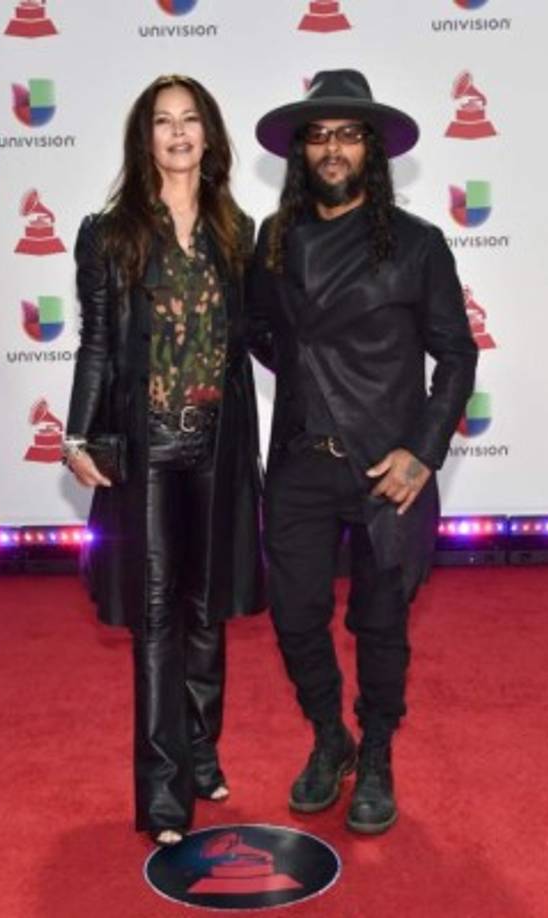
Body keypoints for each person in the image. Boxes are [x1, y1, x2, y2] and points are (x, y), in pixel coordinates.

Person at [249, 70, 477, 835]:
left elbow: (456, 356)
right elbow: (261, 333)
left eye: (348, 134)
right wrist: (318, 383)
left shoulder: (416, 244)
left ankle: (376, 752)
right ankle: (329, 740)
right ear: (301, 151)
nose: (333, 147)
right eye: (319, 135)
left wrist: (420, 450)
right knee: (295, 614)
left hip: (389, 469)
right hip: (300, 462)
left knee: (381, 624)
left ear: (371, 150)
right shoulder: (272, 238)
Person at [63, 74, 265, 847]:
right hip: (146, 447)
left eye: (190, 121)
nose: (177, 133)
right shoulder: (108, 233)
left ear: (208, 136)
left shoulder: (236, 231)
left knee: (206, 612)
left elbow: (255, 341)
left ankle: (201, 753)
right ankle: (162, 793)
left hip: (218, 444)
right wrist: (77, 436)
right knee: (155, 620)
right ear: (143, 138)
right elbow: (97, 346)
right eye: (162, 122)